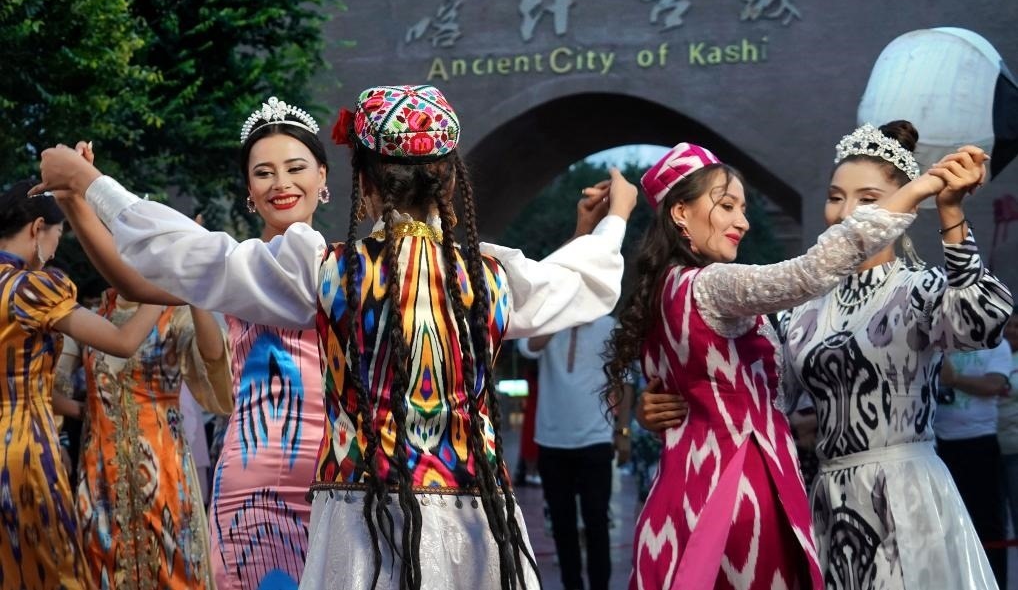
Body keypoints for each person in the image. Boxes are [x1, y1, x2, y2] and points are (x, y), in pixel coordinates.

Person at [33, 83, 638, 590]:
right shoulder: (491, 278)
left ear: (362, 184)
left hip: (362, 514)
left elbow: (197, 256)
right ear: (450, 184)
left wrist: (94, 184)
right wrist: (614, 220)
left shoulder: (327, 271)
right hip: (477, 519)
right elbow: (582, 280)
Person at [603, 140, 950, 590]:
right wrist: (920, 188)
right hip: (738, 491)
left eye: (743, 209)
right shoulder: (711, 285)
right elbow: (810, 272)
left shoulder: (659, 291)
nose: (743, 222)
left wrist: (650, 412)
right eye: (727, 206)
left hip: (682, 490)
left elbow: (735, 391)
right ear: (681, 213)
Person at [57, 98, 333, 589]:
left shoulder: (349, 266)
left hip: (334, 477)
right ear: (249, 190)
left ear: (322, 177)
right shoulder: (235, 267)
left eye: (295, 168)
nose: (281, 183)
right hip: (249, 483)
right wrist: (75, 201)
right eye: (264, 173)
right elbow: (134, 281)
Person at [781, 122, 1010, 589]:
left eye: (868, 199)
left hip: (907, 496)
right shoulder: (801, 310)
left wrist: (951, 212)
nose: (846, 213)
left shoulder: (918, 289)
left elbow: (981, 324)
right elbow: (765, 399)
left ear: (904, 206)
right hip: (828, 502)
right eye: (835, 196)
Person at [0, 181, 163, 590]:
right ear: (38, 227)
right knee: (56, 572)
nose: (56, 248)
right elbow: (122, 342)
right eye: (58, 234)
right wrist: (162, 293)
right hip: (25, 443)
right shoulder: (32, 288)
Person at [76, 286, 231, 589]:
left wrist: (194, 290)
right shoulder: (98, 314)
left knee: (173, 571)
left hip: (162, 475)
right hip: (100, 474)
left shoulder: (174, 312)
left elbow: (213, 359)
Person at [521, 316, 629, 590]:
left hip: (596, 440)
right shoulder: (547, 322)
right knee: (562, 525)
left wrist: (623, 432)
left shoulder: (609, 326)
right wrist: (558, 318)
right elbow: (527, 348)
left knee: (597, 522)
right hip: (551, 440)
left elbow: (624, 381)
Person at [934, 342, 1011, 587]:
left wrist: (954, 379)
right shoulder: (938, 343)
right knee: (948, 526)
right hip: (938, 447)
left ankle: (995, 583)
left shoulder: (997, 345)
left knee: (987, 525)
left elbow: (993, 385)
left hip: (980, 443)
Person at [998, 315, 1018, 540]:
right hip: (988, 448)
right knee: (995, 519)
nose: (1012, 330)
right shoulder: (991, 353)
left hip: (1015, 451)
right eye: (1008, 325)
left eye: (1017, 326)